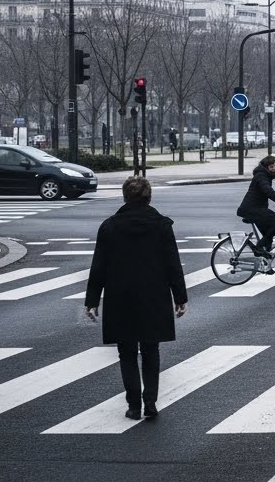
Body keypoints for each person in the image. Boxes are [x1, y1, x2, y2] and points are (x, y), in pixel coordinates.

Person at [84, 177, 187, 421]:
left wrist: (92, 300)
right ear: (149, 197)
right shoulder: (161, 226)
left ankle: (133, 405)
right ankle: (150, 401)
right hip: (154, 294)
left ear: (124, 197)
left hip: (121, 295)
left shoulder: (109, 226)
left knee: (127, 352)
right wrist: (180, 297)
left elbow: (99, 266)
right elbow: (172, 263)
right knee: (151, 349)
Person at [236, 155, 275, 259]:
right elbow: (269, 192)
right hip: (252, 209)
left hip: (256, 208)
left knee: (268, 238)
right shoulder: (261, 176)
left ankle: (265, 264)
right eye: (272, 167)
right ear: (267, 167)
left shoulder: (264, 175)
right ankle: (258, 248)